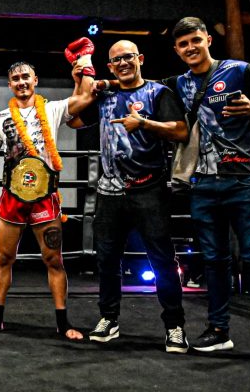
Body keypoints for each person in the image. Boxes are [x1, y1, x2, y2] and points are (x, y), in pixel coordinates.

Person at [168, 17, 250, 365]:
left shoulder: (239, 70)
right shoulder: (179, 83)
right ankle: (219, 331)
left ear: (208, 39)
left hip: (246, 180)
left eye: (195, 40)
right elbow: (138, 84)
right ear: (177, 50)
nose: (190, 47)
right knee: (214, 261)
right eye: (183, 44)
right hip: (204, 184)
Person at [68, 40, 189, 353]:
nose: (122, 63)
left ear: (140, 59)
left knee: (162, 260)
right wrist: (79, 81)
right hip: (110, 192)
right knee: (107, 260)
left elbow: (180, 131)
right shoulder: (105, 96)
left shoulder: (158, 92)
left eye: (128, 57)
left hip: (149, 188)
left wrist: (144, 122)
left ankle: (175, 325)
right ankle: (109, 318)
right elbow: (74, 119)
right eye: (116, 60)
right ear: (109, 66)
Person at [0, 59, 94, 339]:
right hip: (12, 198)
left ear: (35, 80)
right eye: (15, 79)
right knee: (4, 258)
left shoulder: (52, 109)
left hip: (44, 198)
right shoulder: (2, 118)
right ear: (10, 84)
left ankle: (63, 324)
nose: (21, 82)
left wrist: (85, 65)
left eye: (25, 77)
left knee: (54, 259)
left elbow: (87, 96)